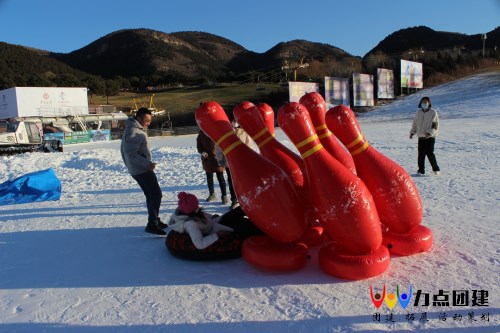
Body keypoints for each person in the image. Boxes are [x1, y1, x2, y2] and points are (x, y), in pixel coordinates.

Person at [121, 107, 166, 235]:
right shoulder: (134, 131)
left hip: (138, 169)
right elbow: (131, 154)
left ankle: (155, 219)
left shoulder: (132, 128)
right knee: (156, 195)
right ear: (139, 119)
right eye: (146, 121)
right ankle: (152, 224)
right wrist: (148, 164)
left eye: (150, 120)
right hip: (141, 170)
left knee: (150, 195)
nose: (149, 123)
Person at [167, 192, 263, 250]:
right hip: (218, 228)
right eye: (196, 206)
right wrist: (217, 235)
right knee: (251, 228)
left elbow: (202, 218)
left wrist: (212, 217)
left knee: (240, 210)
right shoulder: (190, 225)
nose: (198, 207)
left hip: (217, 222)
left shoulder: (187, 210)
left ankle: (263, 212)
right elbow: (200, 244)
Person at [215, 120, 256, 210]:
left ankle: (246, 199)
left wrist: (249, 159)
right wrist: (220, 159)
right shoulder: (224, 133)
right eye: (233, 121)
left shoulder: (244, 133)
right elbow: (218, 146)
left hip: (242, 163)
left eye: (236, 121)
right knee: (231, 181)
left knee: (243, 180)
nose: (235, 123)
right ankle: (234, 199)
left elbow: (250, 147)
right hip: (229, 162)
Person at [409, 96, 441, 176]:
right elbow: (415, 123)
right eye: (423, 102)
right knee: (421, 154)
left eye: (426, 102)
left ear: (429, 103)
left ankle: (436, 169)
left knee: (430, 153)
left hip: (430, 137)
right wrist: (412, 132)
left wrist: (430, 133)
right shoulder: (419, 112)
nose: (424, 104)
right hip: (421, 137)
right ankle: (421, 170)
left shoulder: (433, 112)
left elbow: (435, 124)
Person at [196, 130, 228, 203]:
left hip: (217, 158)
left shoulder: (216, 130)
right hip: (207, 160)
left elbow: (223, 144)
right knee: (209, 177)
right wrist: (203, 152)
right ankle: (212, 194)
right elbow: (199, 146)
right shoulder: (201, 133)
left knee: (220, 177)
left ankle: (224, 196)